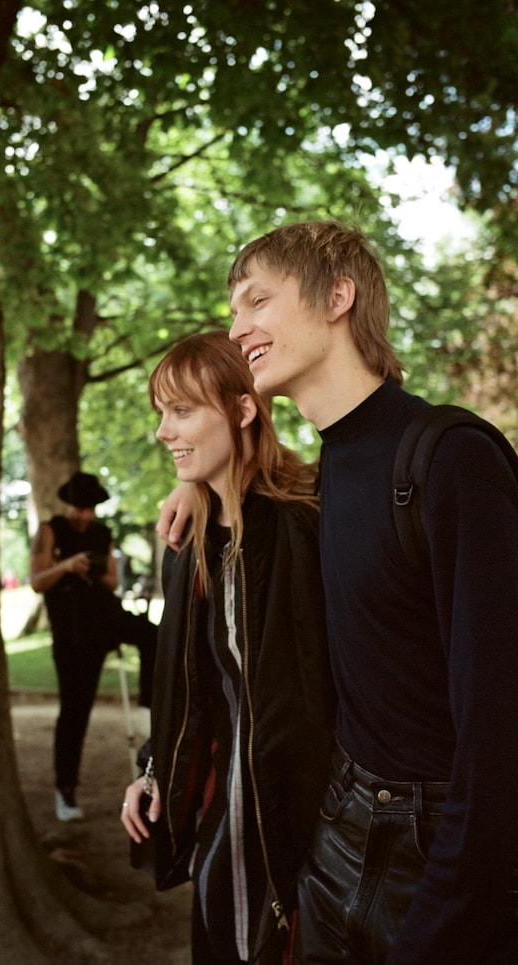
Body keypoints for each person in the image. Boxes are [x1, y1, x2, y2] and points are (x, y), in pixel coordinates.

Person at [158, 220, 518, 964]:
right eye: (233, 309)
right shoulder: (326, 478)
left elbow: (499, 733)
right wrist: (192, 482)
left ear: (338, 297)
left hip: (435, 852)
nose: (237, 326)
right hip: (335, 835)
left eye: (257, 300)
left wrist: (446, 916)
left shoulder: (452, 459)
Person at [121, 330, 336, 964]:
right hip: (224, 830)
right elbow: (195, 684)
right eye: (162, 412)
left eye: (182, 411)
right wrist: (156, 766)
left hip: (298, 835)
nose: (164, 432)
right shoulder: (187, 545)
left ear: (244, 410)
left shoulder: (303, 525)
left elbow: (319, 696)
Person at [31, 471, 156, 822]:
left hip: (104, 616)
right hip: (72, 632)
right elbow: (37, 581)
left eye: (90, 509)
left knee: (153, 635)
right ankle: (65, 789)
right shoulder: (50, 529)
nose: (84, 515)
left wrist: (93, 569)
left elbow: (113, 579)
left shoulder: (103, 534)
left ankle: (150, 707)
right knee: (75, 710)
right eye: (79, 507)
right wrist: (68, 566)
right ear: (69, 503)